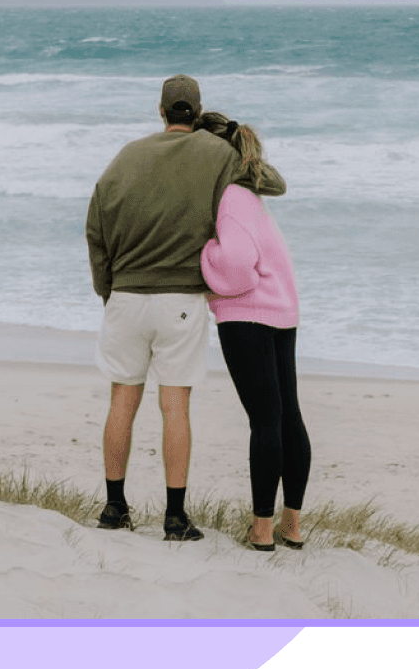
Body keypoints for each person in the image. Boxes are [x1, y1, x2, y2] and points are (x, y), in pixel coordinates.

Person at [85, 75, 285, 541]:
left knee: (122, 402)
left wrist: (108, 290)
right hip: (180, 302)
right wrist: (224, 133)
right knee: (175, 406)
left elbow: (95, 229)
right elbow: (273, 183)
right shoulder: (218, 156)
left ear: (159, 111)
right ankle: (175, 518)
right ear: (195, 113)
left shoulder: (126, 156)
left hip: (126, 298)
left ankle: (115, 508)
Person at [199, 116, 312, 552]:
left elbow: (237, 264)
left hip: (247, 313)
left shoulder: (227, 197)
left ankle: (261, 530)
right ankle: (292, 525)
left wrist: (206, 254)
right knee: (289, 417)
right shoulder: (249, 195)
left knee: (264, 420)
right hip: (283, 310)